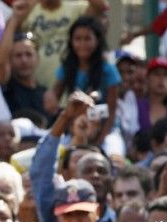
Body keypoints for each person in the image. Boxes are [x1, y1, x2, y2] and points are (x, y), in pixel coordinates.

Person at [44, 16, 120, 145]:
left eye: (87, 39)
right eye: (77, 39)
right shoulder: (67, 68)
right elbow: (54, 98)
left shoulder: (108, 70)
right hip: (74, 130)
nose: (82, 44)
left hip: (106, 132)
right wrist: (50, 98)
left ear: (97, 41)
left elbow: (111, 112)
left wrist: (98, 143)